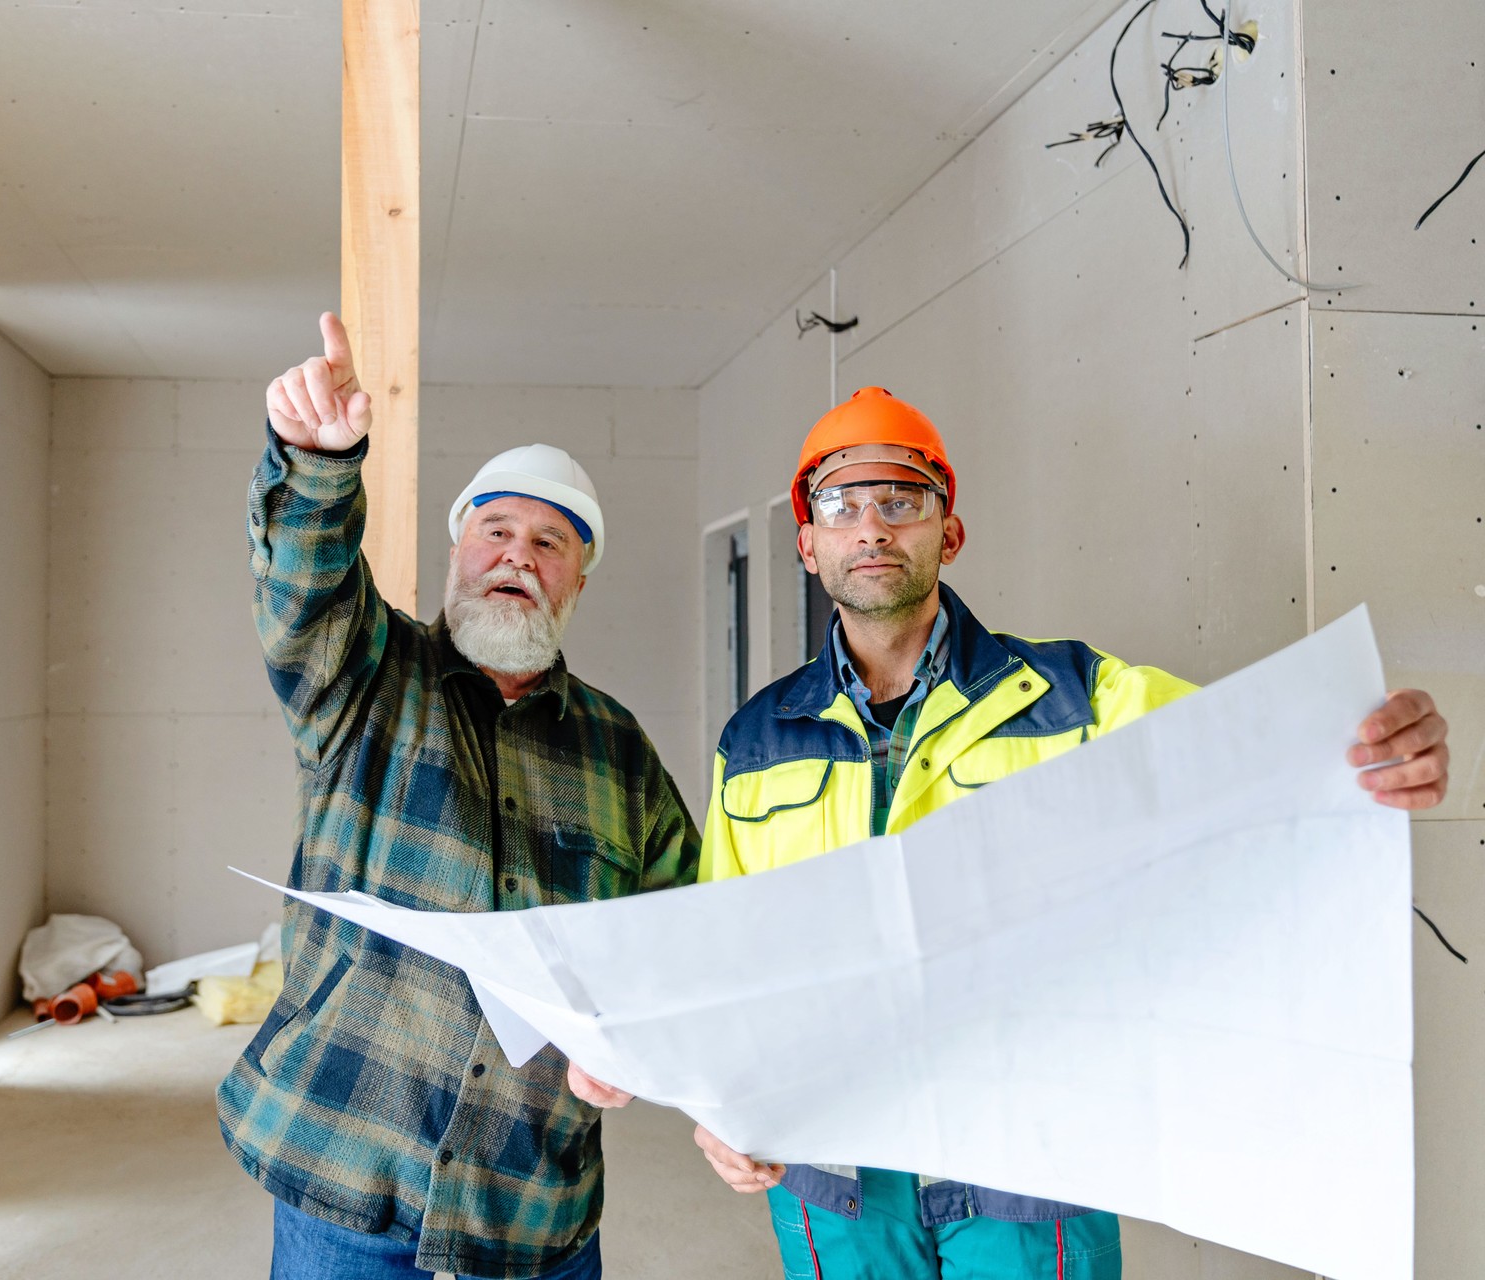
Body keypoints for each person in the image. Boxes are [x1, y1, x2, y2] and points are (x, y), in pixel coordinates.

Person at [597, 386, 1452, 1280]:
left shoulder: (1077, 697)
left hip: (1023, 1153)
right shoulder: (756, 738)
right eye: (843, 507)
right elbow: (725, 951)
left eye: (902, 502)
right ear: (809, 545)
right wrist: (720, 1103)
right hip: (832, 1166)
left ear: (948, 534)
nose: (873, 528)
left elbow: (1251, 750)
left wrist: (1373, 745)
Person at [217, 313, 700, 1280]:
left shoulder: (620, 752)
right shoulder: (367, 673)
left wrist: (637, 1042)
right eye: (497, 529)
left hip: (532, 1200)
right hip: (344, 1171)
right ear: (458, 549)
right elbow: (304, 584)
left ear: (577, 581)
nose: (520, 555)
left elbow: (679, 933)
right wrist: (319, 463)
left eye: (551, 543)